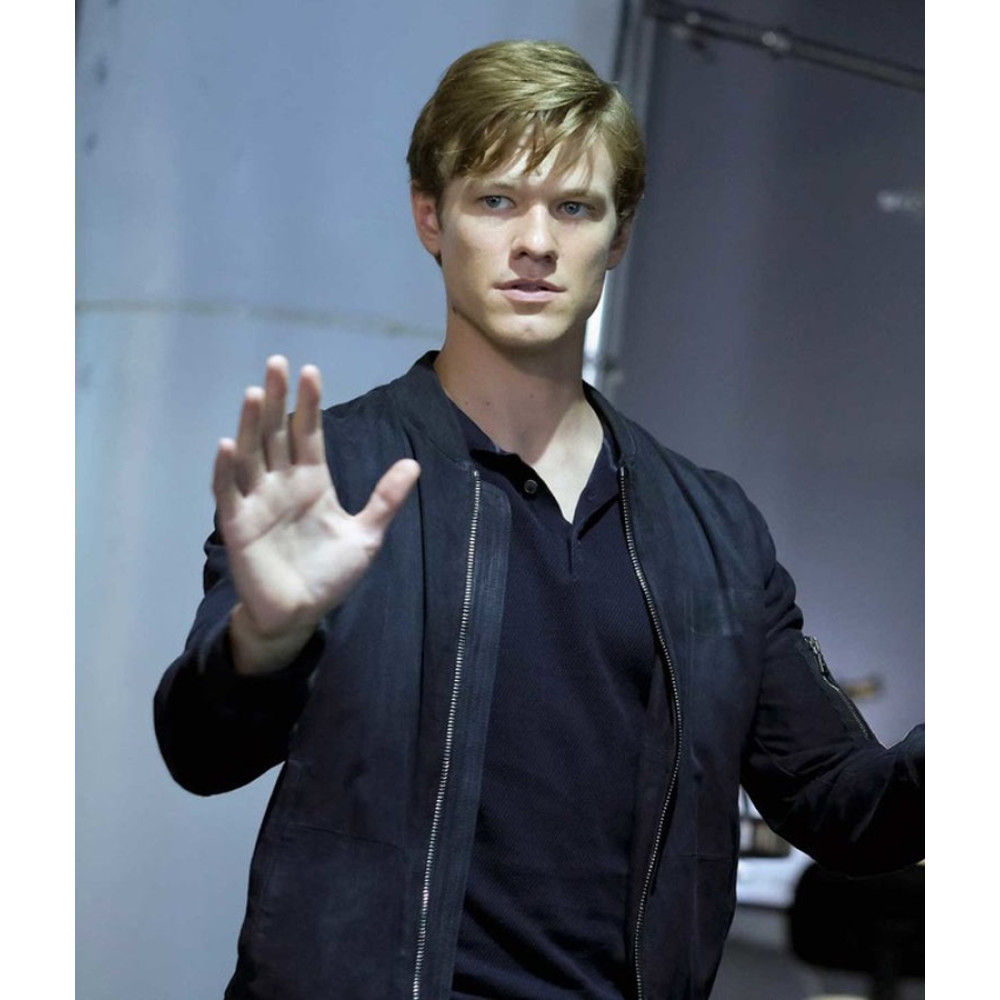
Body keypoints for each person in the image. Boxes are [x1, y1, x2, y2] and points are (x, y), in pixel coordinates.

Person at [154, 39, 924, 1000]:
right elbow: (200, 753)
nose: (536, 242)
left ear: (619, 233)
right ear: (430, 217)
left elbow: (851, 810)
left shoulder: (714, 530)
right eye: (495, 201)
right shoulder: (336, 473)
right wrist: (267, 637)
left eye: (574, 207)